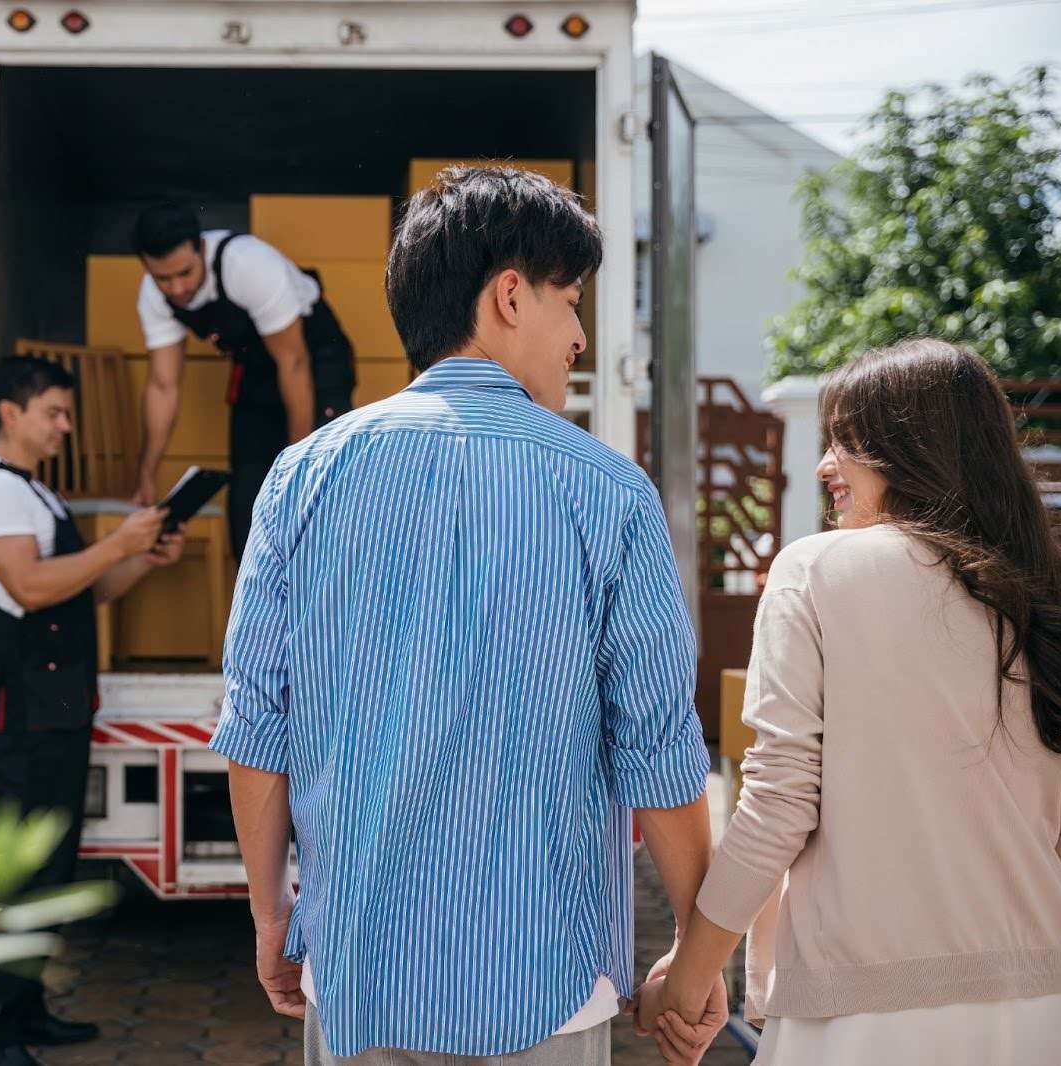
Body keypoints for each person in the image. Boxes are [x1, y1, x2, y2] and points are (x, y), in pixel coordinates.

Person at [209, 166, 728, 1065]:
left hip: (360, 974)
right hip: (546, 990)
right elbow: (658, 747)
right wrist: (694, 949)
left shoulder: (301, 479)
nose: (578, 337)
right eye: (572, 302)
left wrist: (273, 918)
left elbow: (258, 730)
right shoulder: (606, 492)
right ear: (511, 296)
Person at [637, 338, 1061, 1065]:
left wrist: (688, 980)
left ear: (910, 447)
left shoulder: (818, 571)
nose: (825, 467)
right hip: (1036, 1014)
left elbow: (779, 803)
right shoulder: (1055, 596)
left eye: (846, 442)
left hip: (862, 1014)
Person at [0, 355, 187, 1066]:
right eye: (54, 412)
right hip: (20, 700)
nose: (65, 426)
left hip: (56, 696)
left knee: (54, 863)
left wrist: (139, 558)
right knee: (26, 872)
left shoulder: (35, 495)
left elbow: (85, 590)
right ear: (9, 413)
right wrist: (116, 540)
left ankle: (25, 1012)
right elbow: (28, 587)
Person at [127, 202, 357, 560]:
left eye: (185, 273)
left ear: (200, 248)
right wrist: (147, 473)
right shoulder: (155, 295)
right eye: (163, 278)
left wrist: (298, 464)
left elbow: (293, 363)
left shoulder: (248, 265)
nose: (176, 288)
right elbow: (162, 385)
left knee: (317, 495)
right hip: (255, 369)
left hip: (314, 360)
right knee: (247, 496)